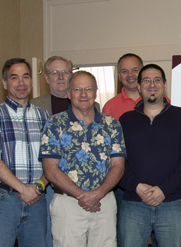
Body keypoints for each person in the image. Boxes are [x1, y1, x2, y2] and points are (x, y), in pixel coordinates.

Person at [40, 71, 126, 246]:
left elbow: (118, 165)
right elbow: (50, 169)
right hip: (67, 204)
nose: (83, 94)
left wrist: (98, 194)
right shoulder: (54, 124)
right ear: (69, 94)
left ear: (95, 93)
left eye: (88, 89)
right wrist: (83, 196)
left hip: (104, 203)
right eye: (77, 89)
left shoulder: (112, 124)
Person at [118, 64, 181, 247]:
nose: (151, 84)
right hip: (133, 204)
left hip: (170, 203)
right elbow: (118, 162)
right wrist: (137, 187)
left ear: (165, 84)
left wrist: (163, 189)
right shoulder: (125, 120)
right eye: (146, 80)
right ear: (138, 87)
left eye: (156, 80)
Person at [0, 58, 51, 246]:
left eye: (26, 77)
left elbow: (52, 161)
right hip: (2, 199)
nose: (21, 83)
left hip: (37, 198)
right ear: (4, 83)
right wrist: (23, 189)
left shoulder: (44, 117)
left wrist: (37, 187)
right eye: (14, 77)